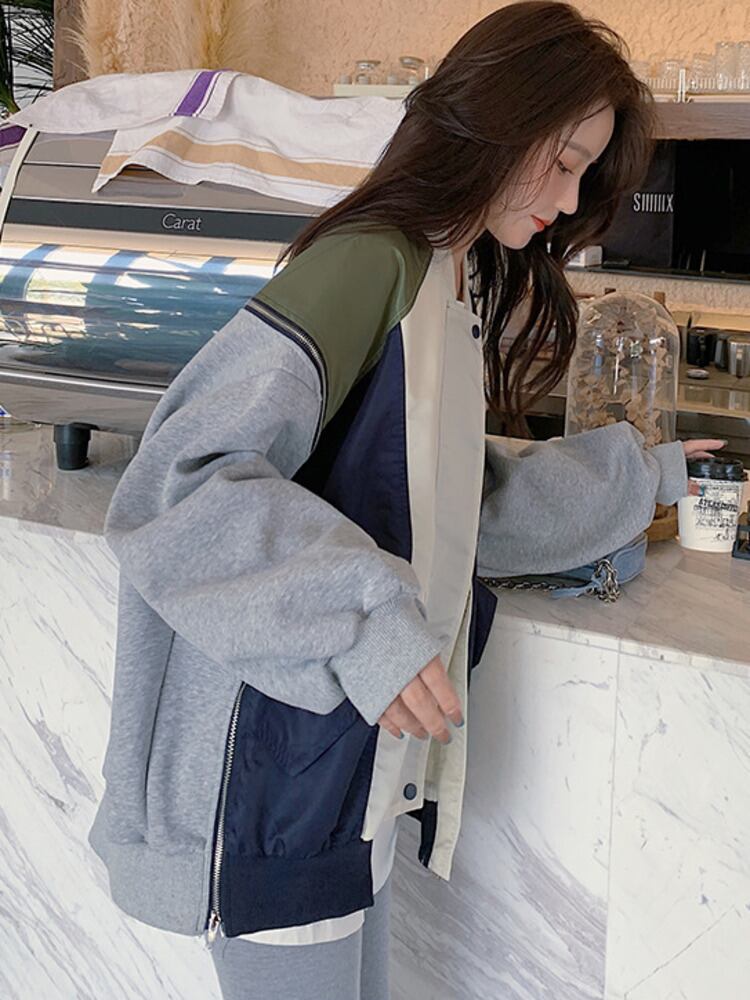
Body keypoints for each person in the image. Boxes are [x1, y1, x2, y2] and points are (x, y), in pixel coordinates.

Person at [88, 3, 723, 999]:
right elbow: (181, 483)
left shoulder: (446, 277)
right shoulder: (370, 261)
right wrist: (365, 623)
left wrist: (648, 477)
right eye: (562, 162)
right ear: (498, 124)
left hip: (343, 773)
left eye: (585, 172)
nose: (569, 199)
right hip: (266, 780)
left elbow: (457, 505)